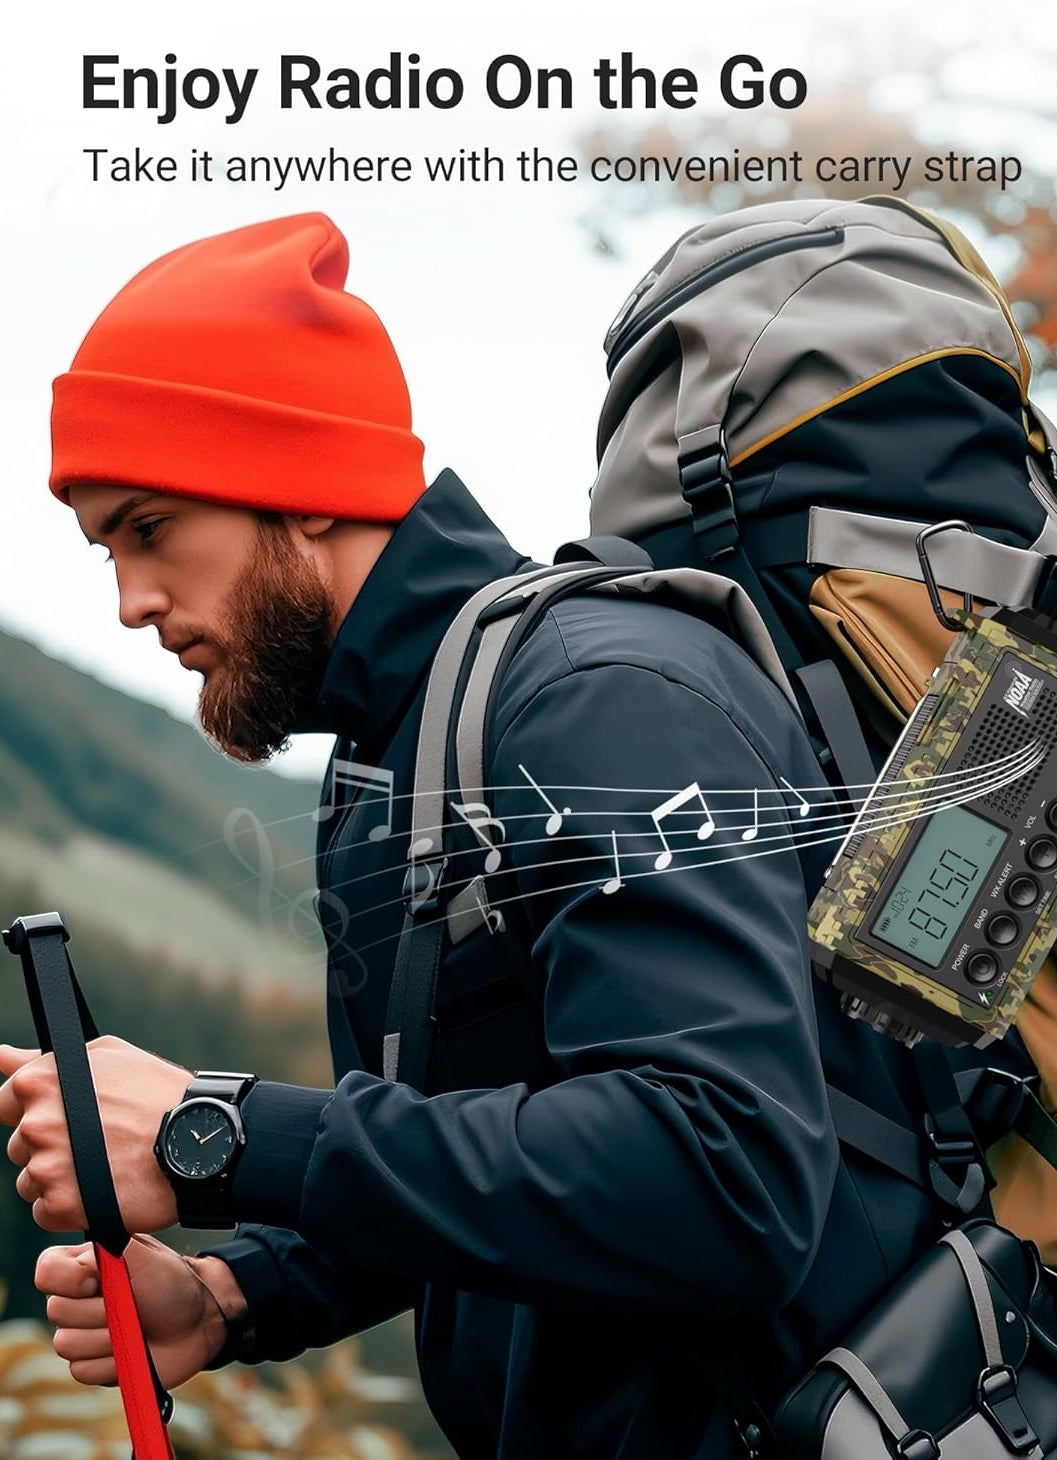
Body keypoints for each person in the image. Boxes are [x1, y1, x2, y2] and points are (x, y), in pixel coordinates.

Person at [0, 213, 943, 1458]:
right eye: (107, 547)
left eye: (150, 526)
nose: (131, 601)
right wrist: (240, 1293)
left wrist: (214, 1132)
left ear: (298, 479)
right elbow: (487, 1160)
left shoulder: (592, 695)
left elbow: (724, 1177)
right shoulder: (392, 765)